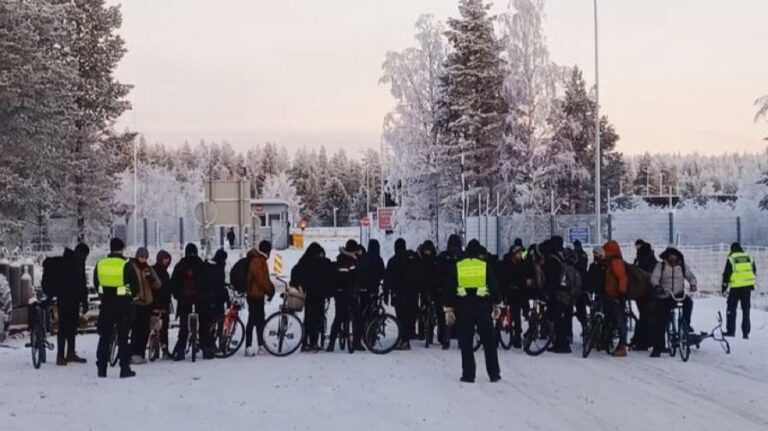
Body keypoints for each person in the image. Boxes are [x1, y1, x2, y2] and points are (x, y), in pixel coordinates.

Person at [444, 239, 501, 383]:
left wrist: (448, 308)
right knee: (489, 341)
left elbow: (450, 287)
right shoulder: (484, 266)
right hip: (482, 308)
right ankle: (494, 373)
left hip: (464, 309)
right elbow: (493, 284)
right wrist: (497, 303)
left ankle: (468, 374)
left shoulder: (459, 266)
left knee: (466, 342)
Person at [94, 238, 140, 378]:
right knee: (123, 339)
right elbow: (135, 287)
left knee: (104, 337)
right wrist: (130, 296)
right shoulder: (126, 265)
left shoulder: (100, 264)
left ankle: (102, 368)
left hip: (106, 306)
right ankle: (124, 368)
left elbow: (96, 284)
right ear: (122, 249)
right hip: (123, 306)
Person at [649, 247, 698, 357]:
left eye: (674, 255)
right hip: (664, 295)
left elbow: (690, 276)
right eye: (670, 255)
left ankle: (686, 324)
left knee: (688, 303)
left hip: (678, 294)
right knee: (661, 321)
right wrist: (656, 286)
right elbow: (654, 278)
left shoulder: (682, 266)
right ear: (667, 256)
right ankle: (658, 348)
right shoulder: (660, 266)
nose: (672, 257)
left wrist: (693, 283)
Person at [172, 243, 214, 361]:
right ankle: (206, 350)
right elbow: (208, 282)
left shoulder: (180, 265)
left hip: (184, 300)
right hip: (200, 299)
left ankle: (180, 350)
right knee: (203, 325)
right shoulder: (201, 265)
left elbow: (174, 283)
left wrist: (178, 295)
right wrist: (207, 295)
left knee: (184, 326)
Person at [291, 243, 333, 351]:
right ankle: (313, 341)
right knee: (317, 318)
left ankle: (305, 342)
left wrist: (299, 285)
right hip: (319, 295)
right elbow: (330, 275)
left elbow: (295, 273)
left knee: (309, 318)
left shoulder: (305, 261)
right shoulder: (323, 263)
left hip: (309, 294)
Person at [55, 243, 90, 365]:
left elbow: (82, 284)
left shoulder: (79, 262)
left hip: (72, 300)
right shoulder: (68, 262)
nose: (85, 258)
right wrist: (83, 300)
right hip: (65, 300)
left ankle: (70, 352)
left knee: (72, 326)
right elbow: (78, 283)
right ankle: (60, 356)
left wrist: (84, 301)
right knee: (64, 327)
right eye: (85, 255)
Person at [384, 238, 419, 350]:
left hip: (399, 294)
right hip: (413, 293)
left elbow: (387, 279)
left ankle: (404, 340)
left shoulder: (393, 261)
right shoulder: (413, 258)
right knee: (411, 316)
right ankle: (407, 337)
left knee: (401, 317)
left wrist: (386, 295)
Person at [128, 247, 161, 365]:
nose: (143, 259)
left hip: (147, 302)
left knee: (145, 329)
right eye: (141, 257)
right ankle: (133, 353)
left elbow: (158, 284)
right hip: (136, 302)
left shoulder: (148, 268)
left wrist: (151, 279)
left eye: (145, 257)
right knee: (136, 329)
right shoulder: (131, 267)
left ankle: (140, 353)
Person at [244, 241, 276, 356]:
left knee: (259, 320)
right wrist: (268, 290)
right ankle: (248, 346)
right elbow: (260, 280)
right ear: (267, 250)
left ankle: (260, 345)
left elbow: (265, 278)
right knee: (252, 320)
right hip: (254, 295)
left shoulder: (261, 260)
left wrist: (271, 288)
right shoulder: (257, 261)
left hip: (258, 295)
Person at [328, 240, 359, 352]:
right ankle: (356, 342)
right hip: (348, 291)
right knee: (355, 314)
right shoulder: (352, 261)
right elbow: (355, 276)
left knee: (339, 317)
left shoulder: (339, 258)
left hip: (339, 292)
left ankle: (331, 343)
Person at [498, 244, 530, 348]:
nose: (520, 256)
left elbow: (524, 276)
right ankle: (497, 336)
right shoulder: (506, 264)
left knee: (516, 314)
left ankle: (517, 338)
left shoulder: (522, 264)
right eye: (518, 254)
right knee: (501, 313)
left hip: (518, 292)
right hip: (507, 291)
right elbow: (502, 277)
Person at [722, 242, 756, 339]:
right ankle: (746, 333)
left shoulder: (731, 258)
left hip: (735, 288)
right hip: (747, 288)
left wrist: (724, 288)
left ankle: (730, 331)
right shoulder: (748, 257)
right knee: (746, 311)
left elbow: (726, 274)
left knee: (731, 310)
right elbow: (754, 270)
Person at [356, 239, 385, 350]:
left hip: (362, 290)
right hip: (373, 290)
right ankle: (371, 336)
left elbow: (357, 272)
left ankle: (359, 336)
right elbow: (382, 274)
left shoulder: (362, 258)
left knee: (362, 313)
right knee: (373, 313)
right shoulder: (378, 259)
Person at [436, 235, 463, 349]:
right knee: (461, 315)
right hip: (460, 290)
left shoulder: (443, 256)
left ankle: (445, 339)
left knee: (445, 314)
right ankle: (461, 338)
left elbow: (437, 272)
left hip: (445, 290)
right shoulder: (463, 256)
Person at [604, 240, 629, 357]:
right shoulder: (612, 262)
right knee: (616, 320)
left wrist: (621, 294)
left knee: (620, 321)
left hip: (617, 296)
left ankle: (622, 346)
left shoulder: (616, 263)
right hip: (612, 296)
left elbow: (622, 278)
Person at [631, 241, 658, 351]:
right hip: (652, 291)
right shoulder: (652, 258)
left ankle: (642, 341)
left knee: (644, 316)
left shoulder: (641, 258)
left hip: (643, 291)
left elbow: (638, 274)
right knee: (649, 315)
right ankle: (648, 339)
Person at [151, 250, 173, 358]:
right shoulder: (164, 273)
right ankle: (164, 348)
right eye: (165, 259)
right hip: (162, 302)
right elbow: (167, 289)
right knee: (164, 327)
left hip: (152, 302)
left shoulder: (152, 270)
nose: (167, 261)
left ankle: (153, 344)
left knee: (153, 324)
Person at [207, 249, 230, 323]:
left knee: (213, 317)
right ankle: (218, 333)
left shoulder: (210, 265)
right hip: (217, 296)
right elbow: (218, 282)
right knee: (219, 317)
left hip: (211, 295)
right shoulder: (218, 267)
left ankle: (213, 332)